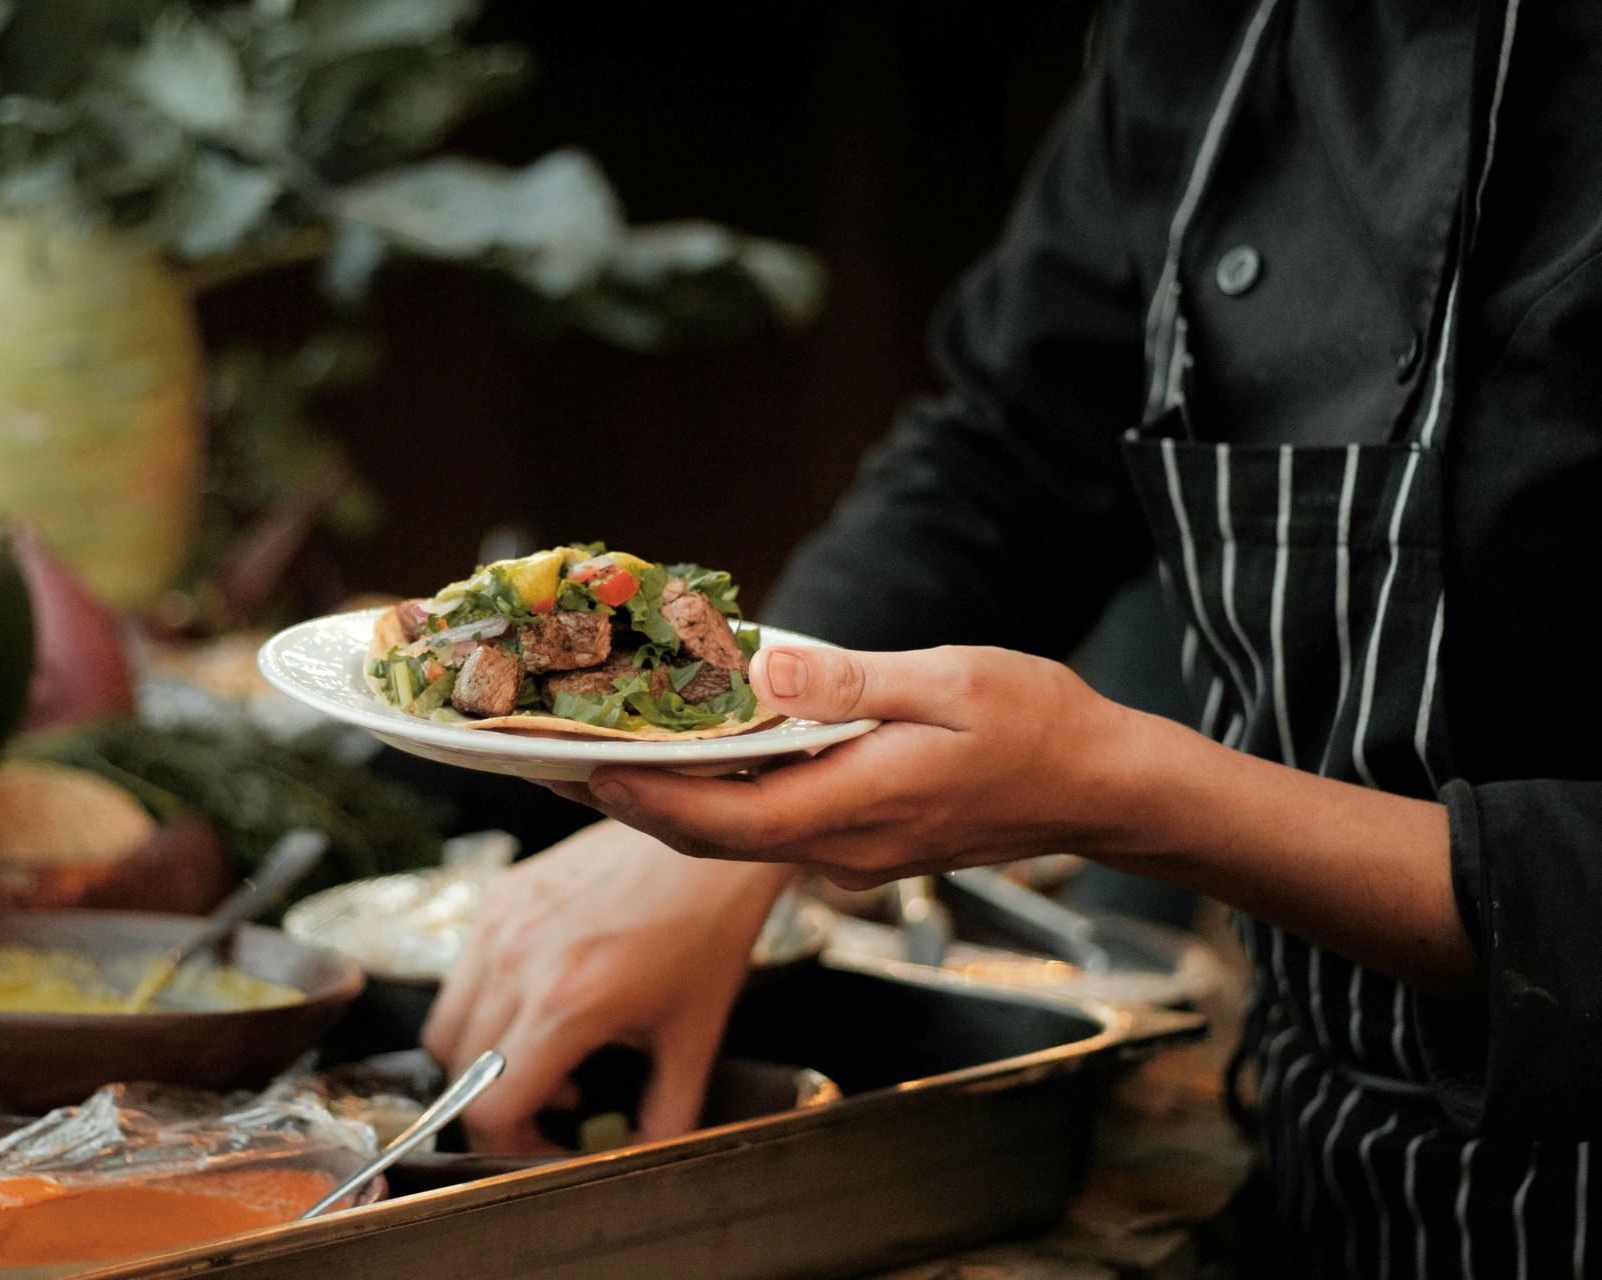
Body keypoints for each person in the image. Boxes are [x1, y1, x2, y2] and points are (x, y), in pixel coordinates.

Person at [425, 0, 1602, 1273]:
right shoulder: (1207, 35)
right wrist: (725, 781)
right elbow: (1012, 460)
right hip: (1322, 1183)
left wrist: (1128, 791)